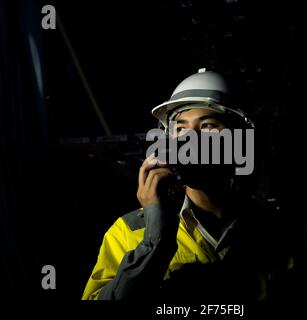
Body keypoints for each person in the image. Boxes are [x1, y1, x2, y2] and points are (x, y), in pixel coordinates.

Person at [82, 69, 290, 302]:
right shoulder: (128, 232)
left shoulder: (273, 232)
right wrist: (155, 242)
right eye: (180, 129)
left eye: (208, 126)